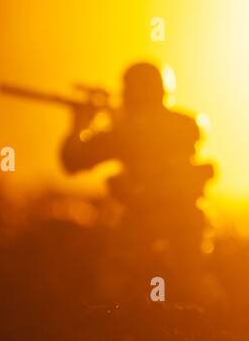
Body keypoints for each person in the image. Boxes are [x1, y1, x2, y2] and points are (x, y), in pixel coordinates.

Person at [60, 62, 214, 238]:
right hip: (188, 230)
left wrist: (81, 122)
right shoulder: (188, 124)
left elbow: (72, 160)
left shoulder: (126, 132)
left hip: (142, 232)